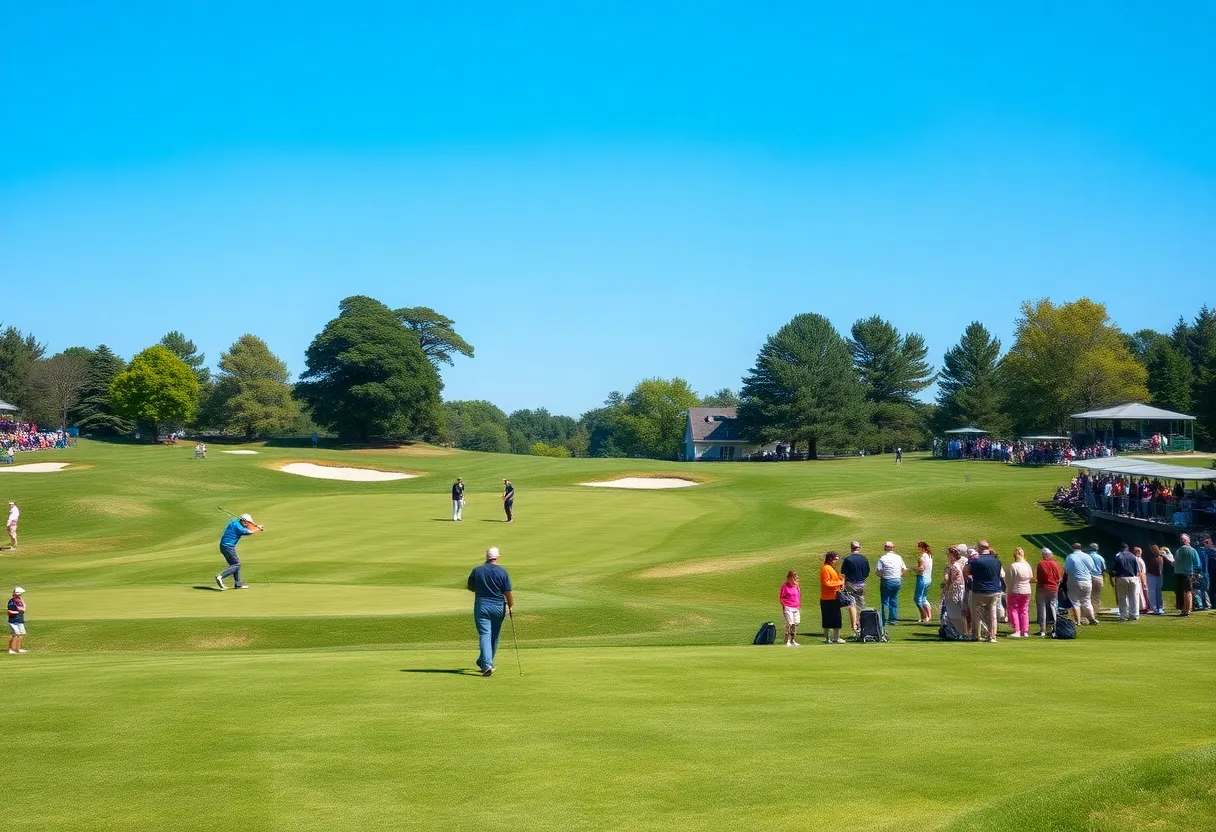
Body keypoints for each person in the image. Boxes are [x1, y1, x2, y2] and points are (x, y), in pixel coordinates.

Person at [467, 546, 513, 676]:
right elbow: (507, 592)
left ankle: (485, 662)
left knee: (485, 634)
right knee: (494, 635)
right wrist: (510, 605)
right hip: (498, 607)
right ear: (497, 557)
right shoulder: (502, 572)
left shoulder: (477, 570)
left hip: (482, 606)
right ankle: (487, 663)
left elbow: (471, 587)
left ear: (486, 557)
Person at [214, 513, 262, 590]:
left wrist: (253, 526)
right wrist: (258, 528)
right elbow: (249, 532)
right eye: (247, 522)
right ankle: (220, 577)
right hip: (228, 547)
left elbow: (246, 527)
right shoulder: (239, 528)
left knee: (235, 565)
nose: (247, 524)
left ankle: (238, 584)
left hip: (223, 546)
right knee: (237, 564)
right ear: (243, 521)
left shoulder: (233, 522)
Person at [965, 547, 1003, 642]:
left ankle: (975, 635)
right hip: (994, 590)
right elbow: (999, 574)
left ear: (979, 549)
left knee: (976, 614)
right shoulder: (996, 561)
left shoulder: (975, 561)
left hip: (979, 590)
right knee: (992, 614)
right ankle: (992, 636)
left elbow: (966, 571)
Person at [840, 541, 870, 635]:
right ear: (859, 548)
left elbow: (843, 572)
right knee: (861, 605)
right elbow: (867, 572)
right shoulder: (864, 558)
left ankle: (855, 626)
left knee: (852, 605)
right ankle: (862, 626)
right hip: (861, 583)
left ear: (851, 548)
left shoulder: (848, 559)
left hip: (850, 584)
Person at [1064, 543, 1098, 625]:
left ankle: (1078, 621)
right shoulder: (1087, 556)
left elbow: (1066, 569)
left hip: (1074, 580)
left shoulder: (1070, 557)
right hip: (1087, 580)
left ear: (1073, 548)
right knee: (1087, 601)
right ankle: (1092, 618)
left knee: (1075, 601)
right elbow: (1092, 568)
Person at [875, 542, 907, 625]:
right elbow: (904, 569)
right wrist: (898, 575)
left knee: (885, 600)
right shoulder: (898, 557)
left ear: (885, 548)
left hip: (887, 580)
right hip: (897, 580)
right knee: (894, 599)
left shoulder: (883, 558)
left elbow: (878, 571)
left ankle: (884, 619)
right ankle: (893, 619)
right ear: (893, 548)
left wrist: (882, 575)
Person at [1034, 547, 1063, 637]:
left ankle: (1042, 630)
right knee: (1053, 607)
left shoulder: (1041, 564)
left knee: (1042, 608)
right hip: (1053, 588)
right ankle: (1055, 627)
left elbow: (1039, 578)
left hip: (1042, 588)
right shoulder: (1056, 564)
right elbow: (1059, 578)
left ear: (1044, 555)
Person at [819, 553, 846, 643]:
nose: (837, 561)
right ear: (830, 559)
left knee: (837, 618)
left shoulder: (832, 568)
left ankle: (836, 638)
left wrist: (841, 584)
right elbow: (826, 582)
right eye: (835, 559)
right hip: (827, 597)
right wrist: (839, 583)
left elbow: (836, 580)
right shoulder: (825, 569)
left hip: (834, 596)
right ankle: (827, 638)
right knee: (827, 618)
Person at [1005, 547, 1032, 638]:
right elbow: (1030, 577)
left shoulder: (1014, 566)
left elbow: (1010, 579)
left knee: (1014, 609)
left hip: (1015, 589)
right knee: (1024, 609)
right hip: (1026, 589)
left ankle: (1017, 630)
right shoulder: (1027, 565)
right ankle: (1025, 630)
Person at [1173, 534, 1201, 616]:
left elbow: (1175, 562)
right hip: (1188, 573)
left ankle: (1184, 609)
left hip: (1179, 573)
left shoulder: (1178, 550)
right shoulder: (1192, 550)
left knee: (1182, 592)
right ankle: (1188, 610)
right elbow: (1197, 563)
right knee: (1188, 592)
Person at [1111, 544, 1140, 622]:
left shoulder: (1118, 557)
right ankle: (1134, 614)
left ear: (1121, 549)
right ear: (1128, 548)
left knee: (1122, 597)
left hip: (1121, 577)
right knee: (1133, 597)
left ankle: (1123, 615)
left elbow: (1113, 569)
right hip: (1133, 578)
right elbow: (1136, 570)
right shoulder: (1133, 557)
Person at [942, 546, 968, 633]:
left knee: (954, 613)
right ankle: (963, 632)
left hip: (954, 591)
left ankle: (959, 632)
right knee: (959, 613)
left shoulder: (953, 566)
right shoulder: (960, 565)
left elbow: (949, 581)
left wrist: (946, 591)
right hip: (960, 590)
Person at [779, 571, 801, 647]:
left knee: (795, 624)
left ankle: (793, 640)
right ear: (789, 578)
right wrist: (784, 605)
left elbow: (798, 597)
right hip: (788, 607)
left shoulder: (796, 587)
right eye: (793, 577)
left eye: (796, 577)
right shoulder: (785, 586)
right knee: (790, 623)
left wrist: (798, 605)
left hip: (796, 607)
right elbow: (782, 597)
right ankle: (787, 640)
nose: (795, 579)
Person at [914, 541, 933, 623]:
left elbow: (921, 568)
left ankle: (924, 616)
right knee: (924, 598)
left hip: (922, 578)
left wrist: (913, 568)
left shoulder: (922, 557)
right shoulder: (929, 556)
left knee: (917, 599)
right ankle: (929, 616)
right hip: (928, 578)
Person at [1145, 545, 1166, 615]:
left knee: (1157, 592)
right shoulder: (1150, 557)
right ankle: (1154, 608)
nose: (1155, 551)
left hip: (1157, 576)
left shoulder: (1160, 557)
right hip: (1152, 575)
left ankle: (1158, 607)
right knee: (1153, 592)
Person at [1087, 543, 1106, 616]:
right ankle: (1096, 611)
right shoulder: (1100, 557)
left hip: (1089, 577)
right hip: (1098, 577)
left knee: (1088, 596)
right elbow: (1103, 569)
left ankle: (1090, 612)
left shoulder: (1087, 557)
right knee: (1097, 595)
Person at [7, 586, 26, 654]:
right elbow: (9, 612)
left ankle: (18, 649)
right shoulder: (11, 601)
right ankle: (11, 650)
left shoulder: (20, 600)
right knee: (14, 635)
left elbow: (23, 608)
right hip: (13, 621)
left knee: (20, 635)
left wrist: (22, 610)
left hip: (20, 620)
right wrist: (19, 611)